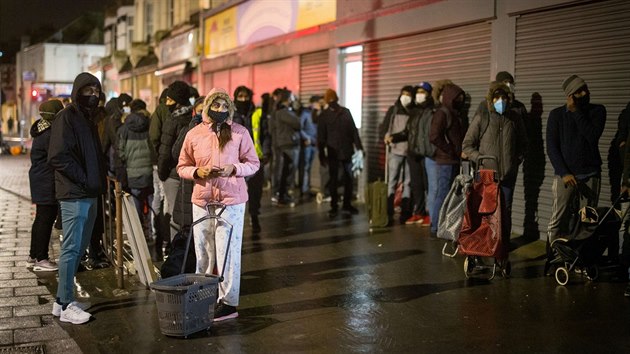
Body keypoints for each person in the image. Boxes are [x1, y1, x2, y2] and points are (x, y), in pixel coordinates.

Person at [177, 87, 259, 322]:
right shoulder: (193, 134)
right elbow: (181, 166)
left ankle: (229, 303)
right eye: (216, 105)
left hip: (231, 201)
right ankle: (203, 296)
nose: (221, 110)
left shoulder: (240, 132)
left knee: (228, 253)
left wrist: (235, 169)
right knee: (203, 251)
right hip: (202, 200)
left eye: (225, 106)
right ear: (207, 107)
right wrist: (197, 171)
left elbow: (253, 163)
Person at [47, 72, 106, 324]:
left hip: (89, 192)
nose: (92, 95)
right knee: (71, 249)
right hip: (75, 194)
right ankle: (67, 304)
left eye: (96, 91)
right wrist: (84, 178)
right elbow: (58, 155)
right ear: (77, 91)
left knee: (79, 248)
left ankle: (61, 301)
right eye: (87, 91)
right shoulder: (67, 117)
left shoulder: (88, 119)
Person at [546, 75, 606, 246]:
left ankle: (581, 258)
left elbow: (592, 137)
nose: (585, 93)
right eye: (579, 91)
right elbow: (552, 147)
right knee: (558, 218)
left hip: (591, 174)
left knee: (587, 220)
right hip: (565, 177)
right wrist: (564, 172)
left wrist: (576, 112)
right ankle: (553, 256)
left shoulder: (598, 111)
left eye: (585, 89)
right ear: (570, 95)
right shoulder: (556, 115)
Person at [462, 81, 528, 237]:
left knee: (505, 210)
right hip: (487, 174)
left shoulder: (514, 118)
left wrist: (515, 160)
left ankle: (503, 242)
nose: (501, 101)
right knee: (486, 210)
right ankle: (485, 241)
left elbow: (524, 143)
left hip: (508, 175)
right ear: (491, 100)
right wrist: (481, 159)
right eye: (497, 98)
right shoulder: (482, 118)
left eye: (504, 98)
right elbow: (466, 146)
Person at [156, 81, 194, 260]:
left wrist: (162, 173)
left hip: (173, 174)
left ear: (178, 101)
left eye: (170, 100)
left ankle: (175, 252)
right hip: (189, 173)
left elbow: (165, 150)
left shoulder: (173, 120)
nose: (167, 104)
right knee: (187, 213)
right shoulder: (194, 118)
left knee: (174, 214)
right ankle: (187, 251)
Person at [389, 82, 435, 225]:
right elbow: (408, 132)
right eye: (418, 92)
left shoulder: (431, 111)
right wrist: (394, 137)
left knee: (428, 184)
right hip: (413, 153)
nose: (419, 95)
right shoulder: (414, 111)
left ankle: (429, 213)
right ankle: (419, 212)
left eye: (423, 92)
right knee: (416, 185)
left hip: (424, 153)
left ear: (428, 94)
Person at [27, 99, 64, 271]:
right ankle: (41, 259)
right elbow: (56, 156)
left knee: (41, 218)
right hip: (46, 180)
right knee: (46, 219)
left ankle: (34, 255)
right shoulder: (50, 134)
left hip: (40, 178)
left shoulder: (41, 129)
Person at [318, 88, 364, 218]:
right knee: (345, 179)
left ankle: (337, 205)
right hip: (343, 151)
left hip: (337, 152)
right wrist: (359, 147)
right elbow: (354, 132)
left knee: (338, 179)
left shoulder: (326, 115)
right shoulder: (344, 112)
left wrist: (321, 154)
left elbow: (321, 138)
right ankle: (344, 205)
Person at [428, 83, 466, 237]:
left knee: (448, 194)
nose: (460, 101)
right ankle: (435, 227)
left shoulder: (453, 113)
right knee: (442, 193)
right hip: (446, 161)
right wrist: (451, 150)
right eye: (458, 98)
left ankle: (442, 226)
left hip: (452, 161)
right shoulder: (443, 113)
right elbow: (434, 136)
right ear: (451, 97)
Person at [232, 86, 271, 233]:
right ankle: (237, 219)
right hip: (236, 160)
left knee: (256, 191)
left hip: (256, 158)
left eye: (245, 96)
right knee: (237, 192)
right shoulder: (230, 114)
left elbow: (266, 134)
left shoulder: (258, 113)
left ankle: (254, 216)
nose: (243, 99)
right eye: (240, 97)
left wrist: (266, 152)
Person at [117, 110, 154, 244]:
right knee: (151, 205)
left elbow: (120, 152)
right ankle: (150, 233)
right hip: (148, 172)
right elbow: (152, 147)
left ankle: (139, 237)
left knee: (136, 205)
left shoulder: (123, 130)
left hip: (133, 174)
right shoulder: (148, 127)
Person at [381, 85, 415, 225]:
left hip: (409, 152)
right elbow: (384, 127)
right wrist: (386, 137)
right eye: (403, 94)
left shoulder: (414, 111)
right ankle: (388, 212)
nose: (405, 97)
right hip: (395, 151)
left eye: (408, 94)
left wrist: (393, 137)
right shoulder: (393, 110)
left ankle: (405, 213)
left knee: (408, 183)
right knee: (392, 182)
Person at [270, 89, 301, 207]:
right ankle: (283, 196)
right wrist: (296, 110)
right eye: (292, 98)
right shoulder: (283, 112)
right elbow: (298, 122)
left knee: (286, 171)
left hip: (286, 143)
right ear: (288, 99)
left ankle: (283, 194)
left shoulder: (280, 112)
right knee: (287, 171)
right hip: (288, 144)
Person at [298, 95, 320, 201]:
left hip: (314, 144)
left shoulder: (318, 114)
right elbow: (300, 128)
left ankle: (307, 187)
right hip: (307, 144)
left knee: (309, 166)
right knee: (306, 166)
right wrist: (307, 138)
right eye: (317, 103)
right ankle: (304, 188)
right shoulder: (305, 114)